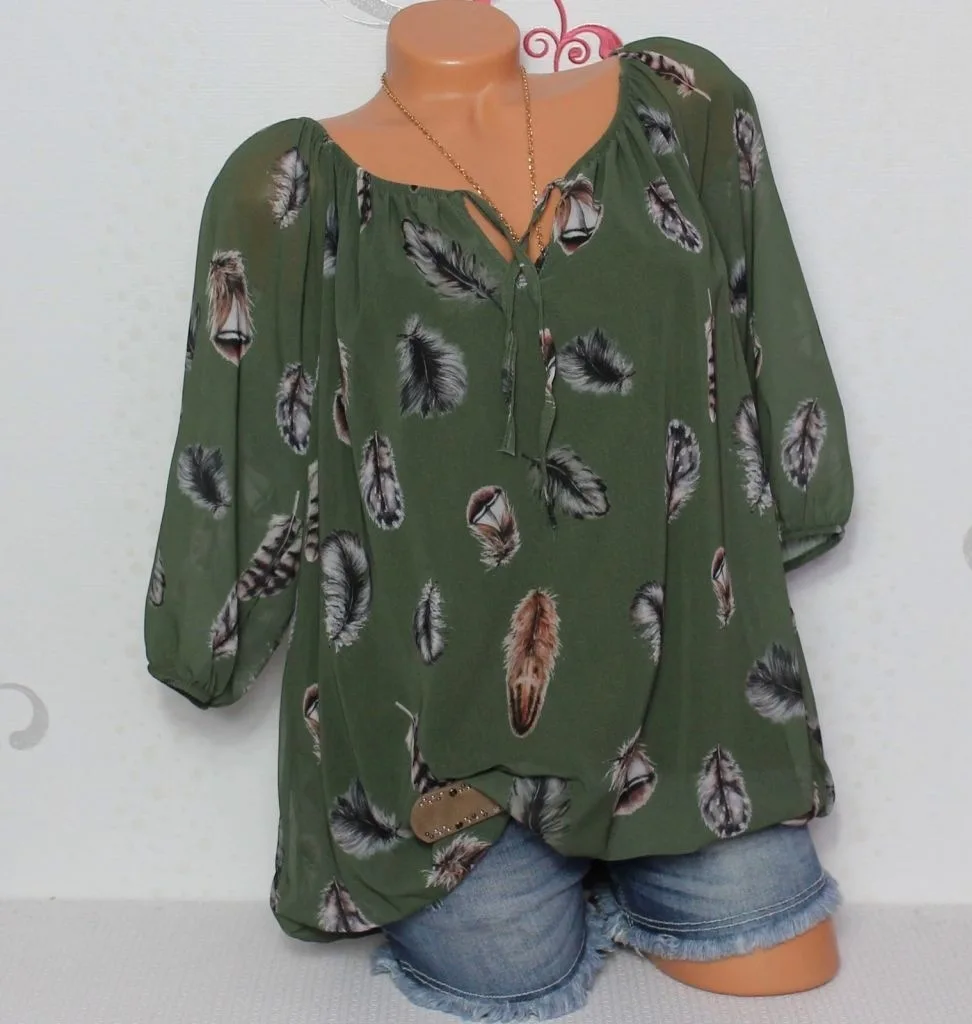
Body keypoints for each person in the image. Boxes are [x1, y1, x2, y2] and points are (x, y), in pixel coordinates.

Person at [144, 2, 853, 1019]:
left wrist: (801, 488)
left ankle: (628, 865)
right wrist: (203, 637)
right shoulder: (290, 186)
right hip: (441, 761)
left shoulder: (680, 103)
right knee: (509, 980)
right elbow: (241, 437)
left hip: (699, 715)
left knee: (789, 963)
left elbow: (759, 315)